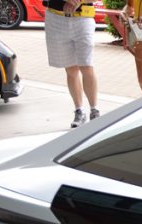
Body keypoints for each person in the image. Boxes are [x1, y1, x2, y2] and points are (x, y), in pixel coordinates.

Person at [44, 0, 100, 128]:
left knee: (86, 66)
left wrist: (79, 1)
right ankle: (79, 110)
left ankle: (94, 110)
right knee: (71, 69)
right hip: (56, 18)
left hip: (83, 18)